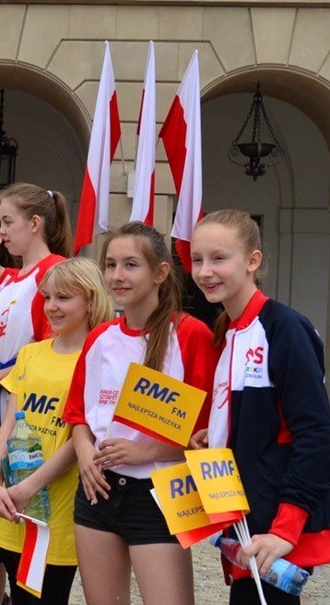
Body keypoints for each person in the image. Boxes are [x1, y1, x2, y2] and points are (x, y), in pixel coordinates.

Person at [188, 210, 330, 605]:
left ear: (253, 261)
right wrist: (218, 435)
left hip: (275, 529)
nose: (205, 271)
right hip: (246, 521)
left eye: (219, 258)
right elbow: (264, 423)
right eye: (197, 259)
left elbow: (316, 435)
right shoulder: (228, 329)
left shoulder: (284, 327)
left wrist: (284, 530)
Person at [61, 222, 216, 605]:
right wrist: (84, 456)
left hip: (161, 493)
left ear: (160, 272)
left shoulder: (192, 335)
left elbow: (209, 433)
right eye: (110, 264)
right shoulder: (100, 337)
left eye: (130, 265)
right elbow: (79, 414)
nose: (117, 275)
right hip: (98, 490)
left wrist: (146, 451)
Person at [0, 194, 69, 605]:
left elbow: (49, 349)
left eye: (6, 222)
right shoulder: (15, 281)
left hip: (31, 414)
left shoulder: (53, 273)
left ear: (35, 223)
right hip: (4, 408)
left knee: (33, 535)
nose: (0, 232)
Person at [0, 258, 112, 604]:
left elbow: (80, 437)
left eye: (63, 298)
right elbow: (11, 420)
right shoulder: (30, 354)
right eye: (47, 298)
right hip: (14, 501)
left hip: (56, 508)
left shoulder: (99, 357)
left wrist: (30, 485)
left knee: (45, 596)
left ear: (90, 300)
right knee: (18, 593)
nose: (52, 307)